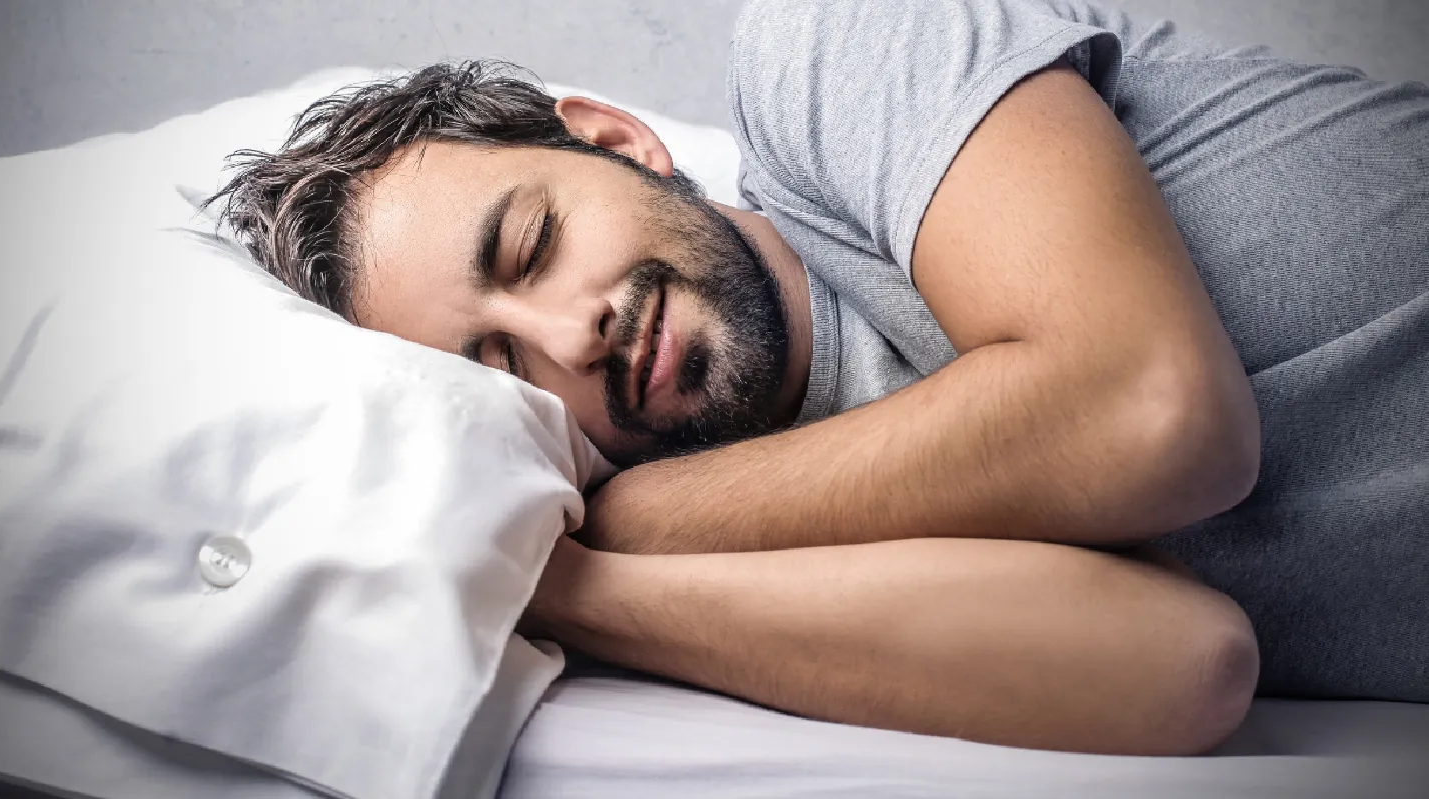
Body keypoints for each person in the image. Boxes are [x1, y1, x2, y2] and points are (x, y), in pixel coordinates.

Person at [209, 0, 1428, 756]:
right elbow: (1185, 667)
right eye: (501, 365)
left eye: (530, 247)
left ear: (615, 141)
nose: (568, 335)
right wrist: (570, 587)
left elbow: (1156, 415)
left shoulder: (834, 44)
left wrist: (629, 521)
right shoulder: (758, 543)